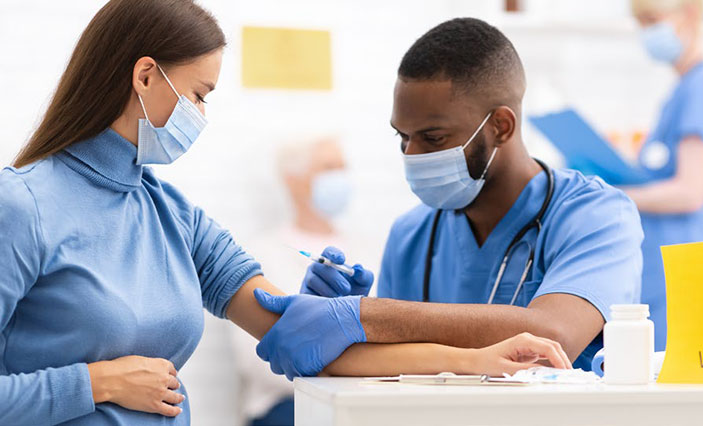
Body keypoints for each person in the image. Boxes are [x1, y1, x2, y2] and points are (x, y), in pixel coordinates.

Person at [0, 2, 571, 424]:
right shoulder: (22, 205)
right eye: (199, 94)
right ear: (145, 75)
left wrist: (478, 361)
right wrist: (94, 383)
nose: (202, 113)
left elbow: (302, 341)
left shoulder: (174, 217)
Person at [255, 18, 645, 380]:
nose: (411, 155)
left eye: (433, 138)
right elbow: (400, 372)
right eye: (403, 137)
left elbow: (554, 334)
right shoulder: (412, 234)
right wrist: (352, 332)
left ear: (501, 126)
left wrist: (367, 316)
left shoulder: (595, 215)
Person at [229, 136, 361, 426]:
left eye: (343, 167)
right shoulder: (261, 254)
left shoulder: (366, 251)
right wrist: (344, 370)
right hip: (284, 406)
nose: (340, 177)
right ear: (292, 179)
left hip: (357, 402)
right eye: (328, 167)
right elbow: (257, 358)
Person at [624, 0, 703, 350]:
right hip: (664, 272)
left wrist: (616, 194)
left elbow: (690, 191)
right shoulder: (682, 91)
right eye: (640, 23)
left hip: (684, 273)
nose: (646, 32)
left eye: (652, 20)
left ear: (687, 12)